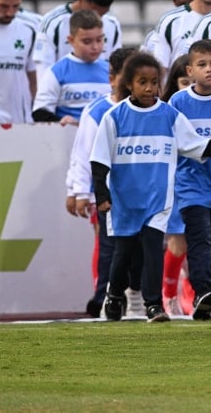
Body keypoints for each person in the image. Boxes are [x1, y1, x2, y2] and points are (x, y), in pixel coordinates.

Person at [90, 52, 211, 323]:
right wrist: (102, 196)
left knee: (153, 250)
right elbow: (99, 159)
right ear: (129, 84)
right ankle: (114, 294)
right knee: (124, 254)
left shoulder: (169, 115)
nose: (150, 88)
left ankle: (154, 305)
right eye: (143, 82)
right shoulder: (114, 117)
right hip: (124, 202)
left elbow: (199, 146)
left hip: (157, 202)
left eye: (154, 82)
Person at [65, 47, 137, 318]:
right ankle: (105, 296)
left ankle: (137, 296)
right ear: (113, 77)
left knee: (140, 248)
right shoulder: (97, 111)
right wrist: (79, 191)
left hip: (141, 193)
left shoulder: (151, 108)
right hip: (108, 193)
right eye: (128, 77)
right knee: (109, 246)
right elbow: (82, 153)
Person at [168, 40, 211, 320]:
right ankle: (202, 292)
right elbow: (184, 145)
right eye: (202, 64)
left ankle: (202, 301)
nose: (209, 70)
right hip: (190, 185)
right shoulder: (178, 101)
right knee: (200, 240)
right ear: (189, 69)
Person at [34, 0, 122, 79]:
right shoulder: (53, 23)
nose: (97, 19)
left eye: (102, 14)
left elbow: (116, 70)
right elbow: (44, 73)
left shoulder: (113, 24)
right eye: (93, 12)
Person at [32, 9, 110, 124]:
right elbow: (40, 112)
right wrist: (62, 121)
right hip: (69, 139)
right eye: (87, 42)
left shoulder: (111, 70)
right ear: (71, 40)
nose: (95, 47)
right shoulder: (56, 72)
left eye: (99, 40)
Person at [158, 55, 192, 316]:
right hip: (178, 181)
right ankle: (168, 294)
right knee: (178, 241)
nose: (190, 86)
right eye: (184, 81)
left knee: (204, 245)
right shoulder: (170, 110)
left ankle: (191, 293)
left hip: (205, 183)